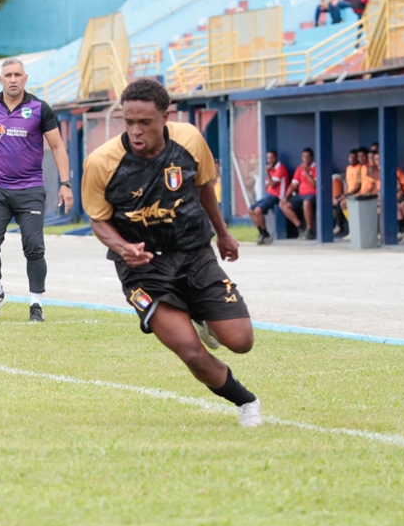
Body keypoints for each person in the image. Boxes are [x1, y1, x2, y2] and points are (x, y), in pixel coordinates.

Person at [81, 77, 261, 428]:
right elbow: (98, 221)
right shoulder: (101, 163)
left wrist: (223, 235)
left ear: (166, 116)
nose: (135, 130)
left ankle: (201, 313)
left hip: (195, 253)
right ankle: (246, 402)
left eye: (144, 122)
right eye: (128, 121)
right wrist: (123, 248)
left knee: (241, 342)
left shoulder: (190, 139)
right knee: (190, 350)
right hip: (143, 269)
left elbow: (204, 187)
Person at [0, 57, 73, 322]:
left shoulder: (39, 108)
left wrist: (65, 183)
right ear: (0, 80)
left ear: (25, 78)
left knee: (34, 247)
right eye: (8, 75)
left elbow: (57, 146)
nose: (13, 79)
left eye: (17, 75)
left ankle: (36, 305)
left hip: (30, 188)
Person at [248, 150, 288, 245]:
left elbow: (273, 185)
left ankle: (265, 233)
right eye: (268, 158)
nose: (270, 160)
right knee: (251, 210)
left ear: (276, 158)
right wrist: (269, 176)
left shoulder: (280, 168)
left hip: (277, 196)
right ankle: (262, 233)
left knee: (258, 210)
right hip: (268, 195)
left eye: (272, 158)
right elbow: (267, 186)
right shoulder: (271, 169)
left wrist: (267, 173)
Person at [280, 147, 317, 240]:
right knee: (283, 205)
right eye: (304, 157)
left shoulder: (316, 167)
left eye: (308, 157)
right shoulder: (299, 168)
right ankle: (300, 228)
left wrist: (306, 171)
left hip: (313, 194)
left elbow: (314, 184)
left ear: (312, 157)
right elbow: (293, 185)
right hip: (300, 195)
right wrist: (286, 197)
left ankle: (309, 230)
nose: (306, 159)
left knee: (306, 203)